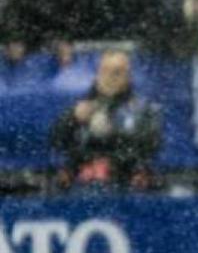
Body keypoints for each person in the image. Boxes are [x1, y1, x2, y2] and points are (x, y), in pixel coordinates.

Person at [51, 48, 162, 191]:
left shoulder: (144, 109)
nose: (110, 77)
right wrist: (71, 119)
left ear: (128, 76)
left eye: (117, 72)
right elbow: (56, 142)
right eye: (105, 71)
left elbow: (151, 145)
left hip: (125, 183)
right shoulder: (80, 108)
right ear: (97, 74)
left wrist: (112, 132)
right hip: (82, 184)